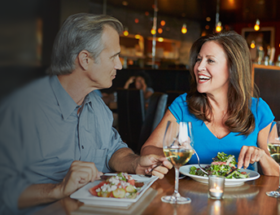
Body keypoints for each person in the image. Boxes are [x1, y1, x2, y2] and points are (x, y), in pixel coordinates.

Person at [0, 13, 172, 214]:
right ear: (85, 59)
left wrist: (135, 163)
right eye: (114, 57)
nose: (120, 65)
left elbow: (113, 150)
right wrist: (57, 190)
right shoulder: (23, 109)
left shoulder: (97, 106)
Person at [141, 31, 278, 176]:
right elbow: (148, 148)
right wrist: (171, 153)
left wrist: (262, 156)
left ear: (233, 68)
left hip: (241, 197)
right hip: (190, 196)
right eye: (199, 59)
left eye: (210, 60)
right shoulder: (183, 105)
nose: (199, 67)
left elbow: (277, 172)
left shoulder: (258, 110)